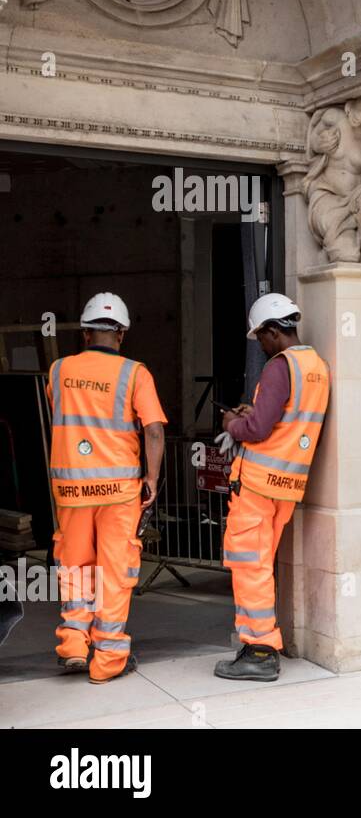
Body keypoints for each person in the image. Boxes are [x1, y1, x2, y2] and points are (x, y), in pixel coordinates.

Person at [47, 293, 166, 684]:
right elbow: (152, 429)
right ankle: (108, 660)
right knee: (114, 573)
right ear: (122, 334)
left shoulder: (58, 370)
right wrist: (151, 478)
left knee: (75, 565)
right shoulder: (136, 374)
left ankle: (73, 645)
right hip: (118, 491)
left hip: (72, 489)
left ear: (85, 333)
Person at [212, 293, 330, 681]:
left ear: (273, 331)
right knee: (260, 565)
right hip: (287, 485)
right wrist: (254, 414)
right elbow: (284, 420)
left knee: (250, 566)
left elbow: (259, 429)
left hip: (259, 485)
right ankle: (257, 644)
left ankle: (260, 651)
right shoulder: (315, 367)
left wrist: (232, 423)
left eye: (260, 338)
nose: (260, 347)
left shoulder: (281, 367)